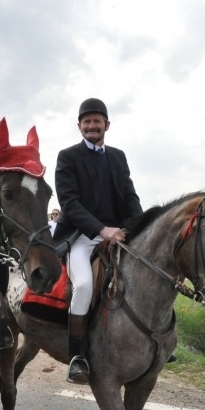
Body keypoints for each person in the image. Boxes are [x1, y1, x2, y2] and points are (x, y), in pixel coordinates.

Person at [52, 98, 143, 384]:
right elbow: (69, 203)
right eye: (87, 121)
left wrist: (139, 227)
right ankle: (77, 357)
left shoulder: (118, 156)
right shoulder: (68, 157)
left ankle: (154, 342)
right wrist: (101, 230)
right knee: (82, 286)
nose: (92, 125)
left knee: (148, 271)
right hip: (81, 235)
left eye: (97, 121)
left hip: (118, 234)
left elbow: (129, 197)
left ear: (107, 125)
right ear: (79, 126)